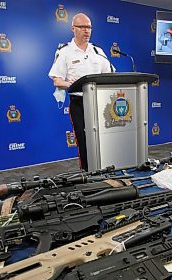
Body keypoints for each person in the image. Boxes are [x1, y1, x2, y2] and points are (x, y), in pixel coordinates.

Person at [49, 13, 113, 171]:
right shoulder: (64, 52)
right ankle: (88, 173)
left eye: (89, 27)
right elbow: (57, 80)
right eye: (82, 27)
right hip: (80, 104)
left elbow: (110, 75)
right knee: (84, 140)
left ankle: (105, 170)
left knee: (104, 139)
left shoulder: (98, 51)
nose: (87, 31)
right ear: (73, 29)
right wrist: (69, 84)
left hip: (100, 103)